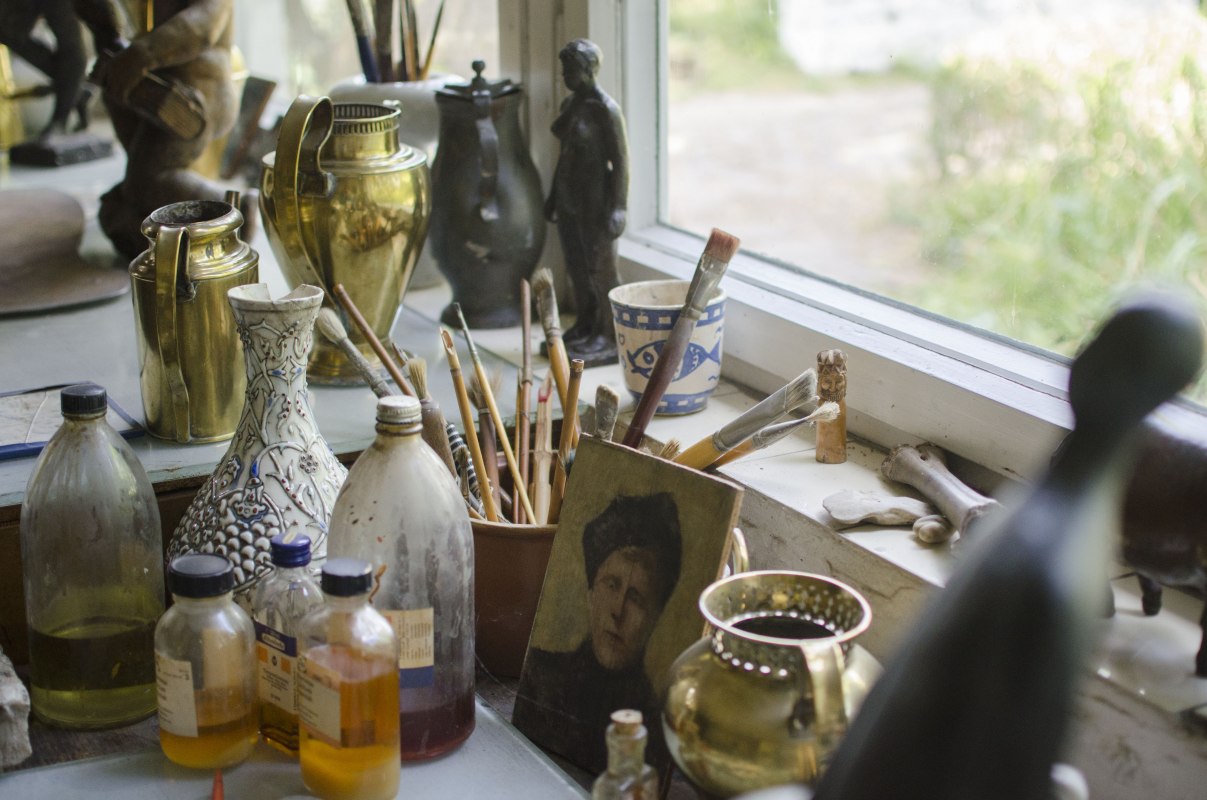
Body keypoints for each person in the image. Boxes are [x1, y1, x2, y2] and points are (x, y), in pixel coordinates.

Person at [513, 492, 681, 774]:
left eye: (637, 597)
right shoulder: (540, 680)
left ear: (656, 616)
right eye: (612, 584)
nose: (618, 610)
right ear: (590, 593)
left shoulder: (656, 731)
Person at [72, 0, 250, 258]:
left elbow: (202, 25)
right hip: (153, 91)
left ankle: (236, 207)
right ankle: (159, 235)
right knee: (128, 198)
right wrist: (111, 41)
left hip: (198, 93)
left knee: (148, 182)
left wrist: (140, 55)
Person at [545, 38, 630, 365]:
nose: (564, 76)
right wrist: (553, 196)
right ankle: (586, 322)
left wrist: (618, 207)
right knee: (577, 267)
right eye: (563, 69)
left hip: (596, 201)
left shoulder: (606, 110)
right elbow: (565, 155)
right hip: (569, 198)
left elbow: (621, 162)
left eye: (570, 70)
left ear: (590, 70)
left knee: (600, 269)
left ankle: (608, 333)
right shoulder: (571, 105)